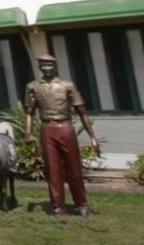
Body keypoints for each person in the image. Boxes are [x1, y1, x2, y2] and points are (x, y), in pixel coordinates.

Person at [24, 54, 100, 218]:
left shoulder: (67, 85)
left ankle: (82, 204)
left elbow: (82, 112)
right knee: (52, 170)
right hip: (46, 128)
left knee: (74, 168)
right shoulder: (33, 87)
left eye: (49, 65)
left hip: (65, 127)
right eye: (43, 65)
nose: (46, 68)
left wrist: (92, 137)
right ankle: (58, 207)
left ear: (55, 66)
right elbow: (29, 112)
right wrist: (28, 133)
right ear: (39, 68)